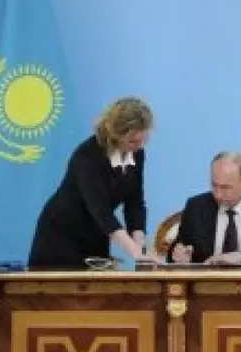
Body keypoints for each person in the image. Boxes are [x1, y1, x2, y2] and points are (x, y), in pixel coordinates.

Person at [27, 97, 159, 268]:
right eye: (133, 141)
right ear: (116, 134)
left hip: (97, 234)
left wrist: (141, 248)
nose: (139, 146)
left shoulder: (137, 153)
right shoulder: (87, 156)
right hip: (61, 237)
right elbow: (101, 211)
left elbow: (135, 203)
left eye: (143, 140)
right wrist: (134, 252)